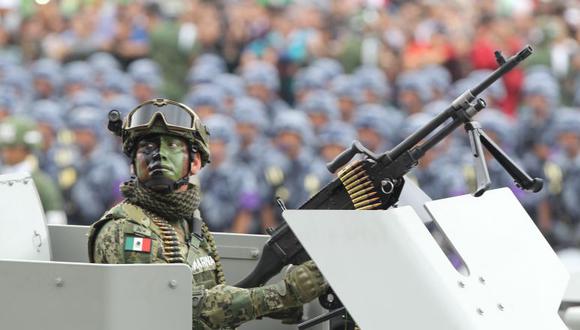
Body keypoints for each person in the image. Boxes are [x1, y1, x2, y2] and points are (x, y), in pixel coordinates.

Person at [88, 98, 328, 329]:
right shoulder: (125, 230)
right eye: (146, 147)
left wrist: (275, 305)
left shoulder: (185, 219)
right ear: (133, 163)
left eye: (172, 146)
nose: (158, 155)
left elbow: (207, 296)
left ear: (195, 162)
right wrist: (284, 294)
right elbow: (179, 310)